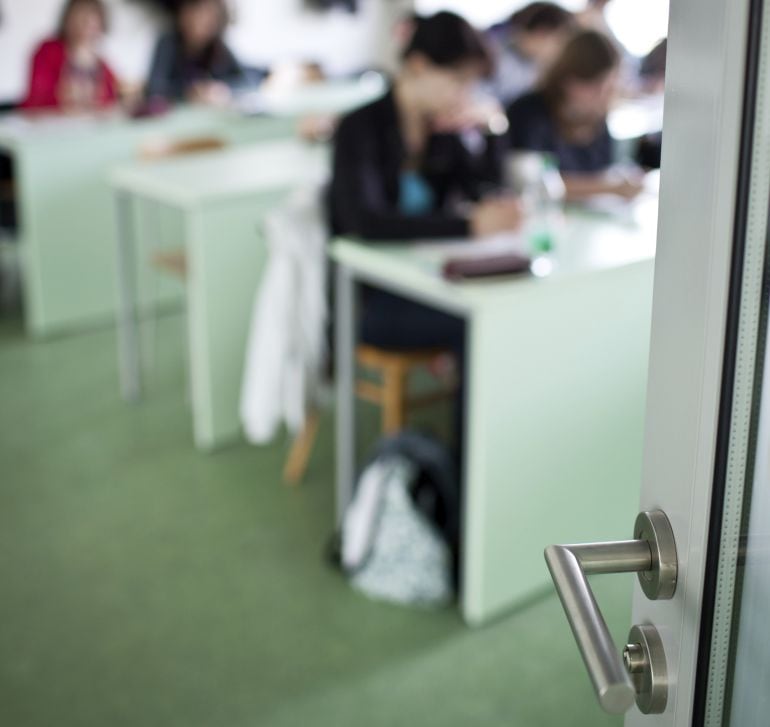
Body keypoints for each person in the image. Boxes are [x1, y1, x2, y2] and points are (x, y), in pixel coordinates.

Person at [330, 11, 523, 462]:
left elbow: (484, 191)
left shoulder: (444, 128)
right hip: (375, 300)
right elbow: (365, 220)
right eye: (457, 79)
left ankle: (488, 465)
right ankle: (467, 480)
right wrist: (469, 225)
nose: (464, 93)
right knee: (480, 325)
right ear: (417, 65)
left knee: (505, 307)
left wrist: (490, 130)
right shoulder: (359, 127)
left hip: (433, 281)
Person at [506, 29, 644, 200]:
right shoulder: (528, 112)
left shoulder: (596, 116)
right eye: (596, 86)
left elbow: (604, 169)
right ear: (569, 80)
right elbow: (533, 183)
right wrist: (609, 188)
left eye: (609, 87)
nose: (604, 96)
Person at [20, 0, 118, 112]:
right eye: (80, 14)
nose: (86, 21)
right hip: (49, 124)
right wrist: (61, 96)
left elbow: (111, 102)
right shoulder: (48, 52)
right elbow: (36, 99)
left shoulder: (103, 65)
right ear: (67, 19)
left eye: (92, 16)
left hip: (87, 125)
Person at [145, 0, 244, 105]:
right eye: (194, 11)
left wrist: (220, 88)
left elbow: (244, 80)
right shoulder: (167, 42)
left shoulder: (218, 47)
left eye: (208, 14)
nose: (199, 19)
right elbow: (154, 88)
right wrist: (188, 91)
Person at [485, 2, 575, 106]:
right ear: (542, 33)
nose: (560, 50)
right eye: (558, 42)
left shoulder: (533, 63)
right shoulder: (494, 55)